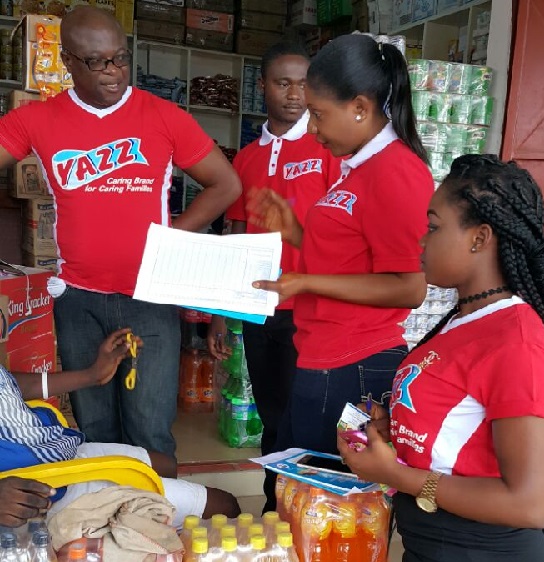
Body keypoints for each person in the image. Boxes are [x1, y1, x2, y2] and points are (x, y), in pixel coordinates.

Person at [0, 6, 241, 460]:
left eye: (120, 58)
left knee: (149, 426)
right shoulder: (37, 120)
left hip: (149, 297)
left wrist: (168, 239)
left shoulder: (163, 117)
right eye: (96, 61)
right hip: (77, 299)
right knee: (95, 428)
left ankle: (152, 524)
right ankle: (104, 520)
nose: (113, 72)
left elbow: (226, 184)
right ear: (68, 60)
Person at [337, 154, 544, 561]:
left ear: (479, 239)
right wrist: (397, 429)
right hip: (433, 545)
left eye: (433, 227)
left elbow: (529, 505)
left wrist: (395, 474)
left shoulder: (518, 343)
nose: (421, 241)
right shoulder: (462, 320)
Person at [248, 34, 433, 509]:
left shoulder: (397, 172)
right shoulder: (357, 166)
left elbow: (409, 286)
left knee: (333, 504)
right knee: (304, 493)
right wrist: (295, 233)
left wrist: (307, 281)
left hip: (355, 363)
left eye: (319, 114)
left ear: (359, 107)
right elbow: (347, 261)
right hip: (321, 355)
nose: (311, 129)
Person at [208, 42, 339, 459]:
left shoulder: (329, 151)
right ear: (263, 85)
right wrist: (220, 312)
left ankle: (300, 504)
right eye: (283, 84)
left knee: (306, 413)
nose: (295, 95)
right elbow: (238, 233)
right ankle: (273, 504)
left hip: (311, 305)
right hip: (259, 305)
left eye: (304, 85)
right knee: (271, 413)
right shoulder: (246, 159)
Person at [0, 329, 240, 529]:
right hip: (41, 483)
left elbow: (9, 383)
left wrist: (92, 375)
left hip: (50, 448)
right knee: (224, 507)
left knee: (167, 465)